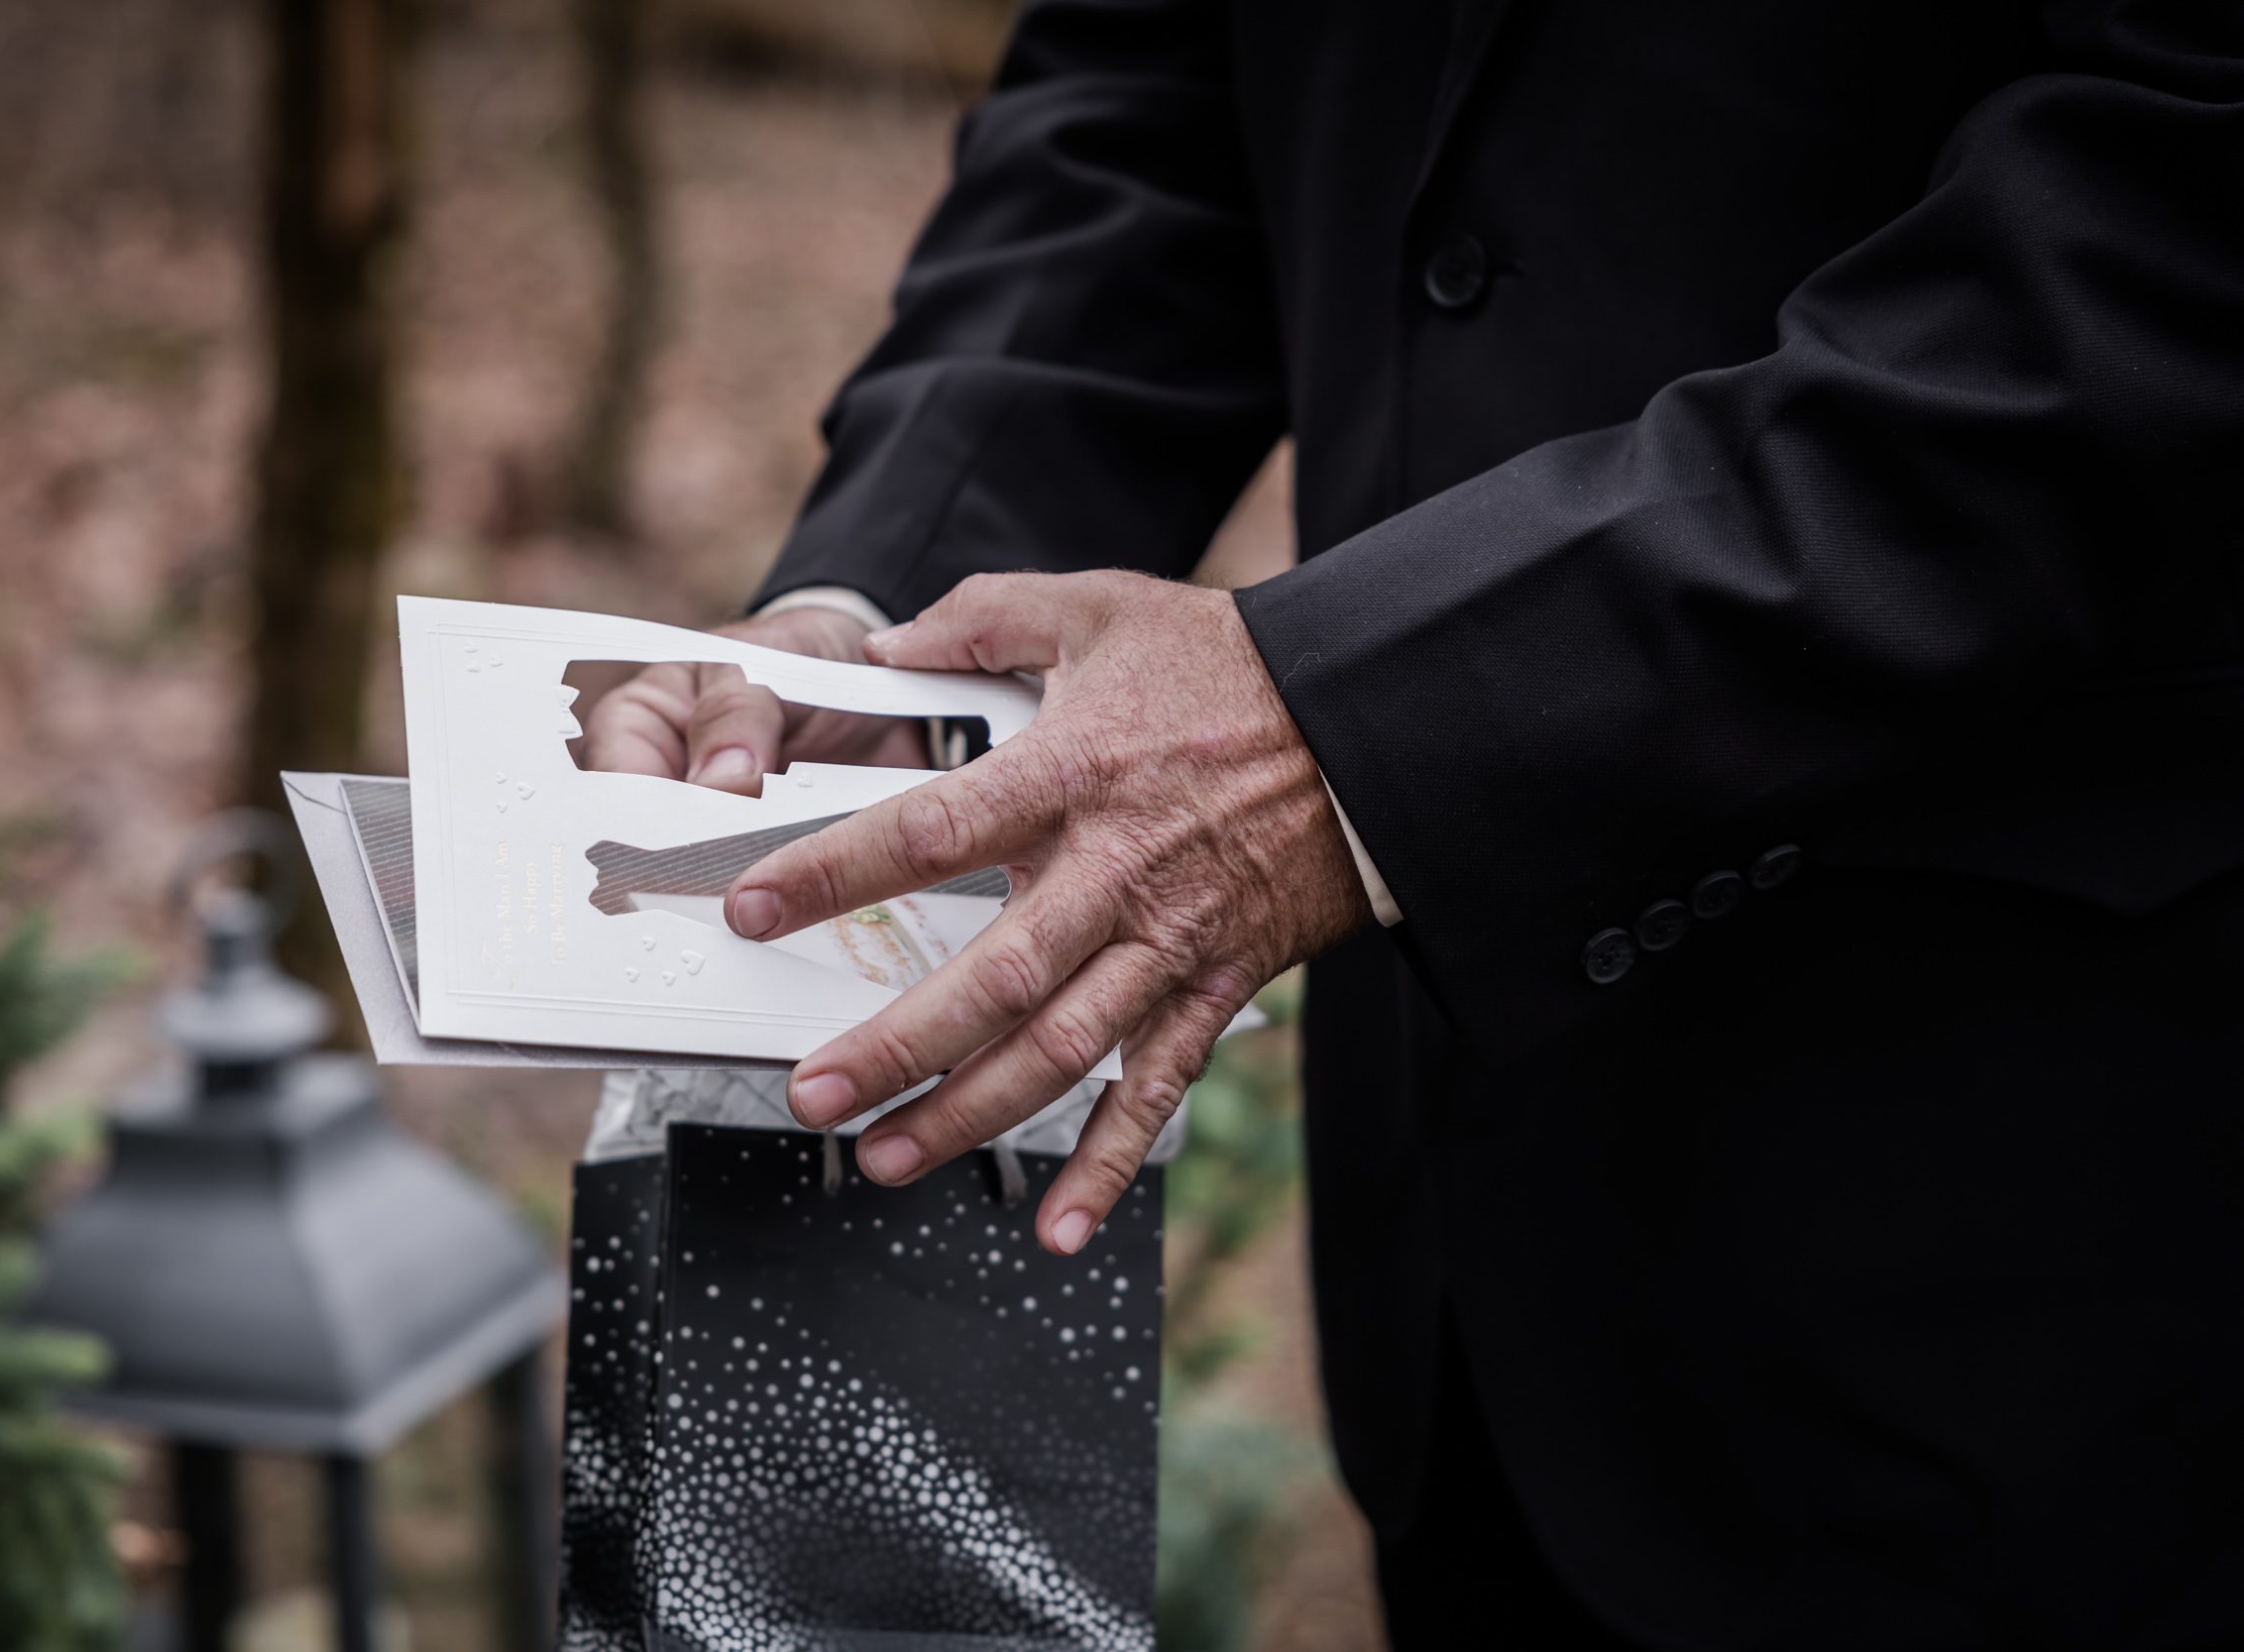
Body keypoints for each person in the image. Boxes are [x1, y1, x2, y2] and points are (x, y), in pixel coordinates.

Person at [579, 3, 2244, 1645]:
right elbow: (1152, 82)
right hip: (1454, 1285)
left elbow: (2172, 235)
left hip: (2009, 1241)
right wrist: (887, 603)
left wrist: (1372, 733)